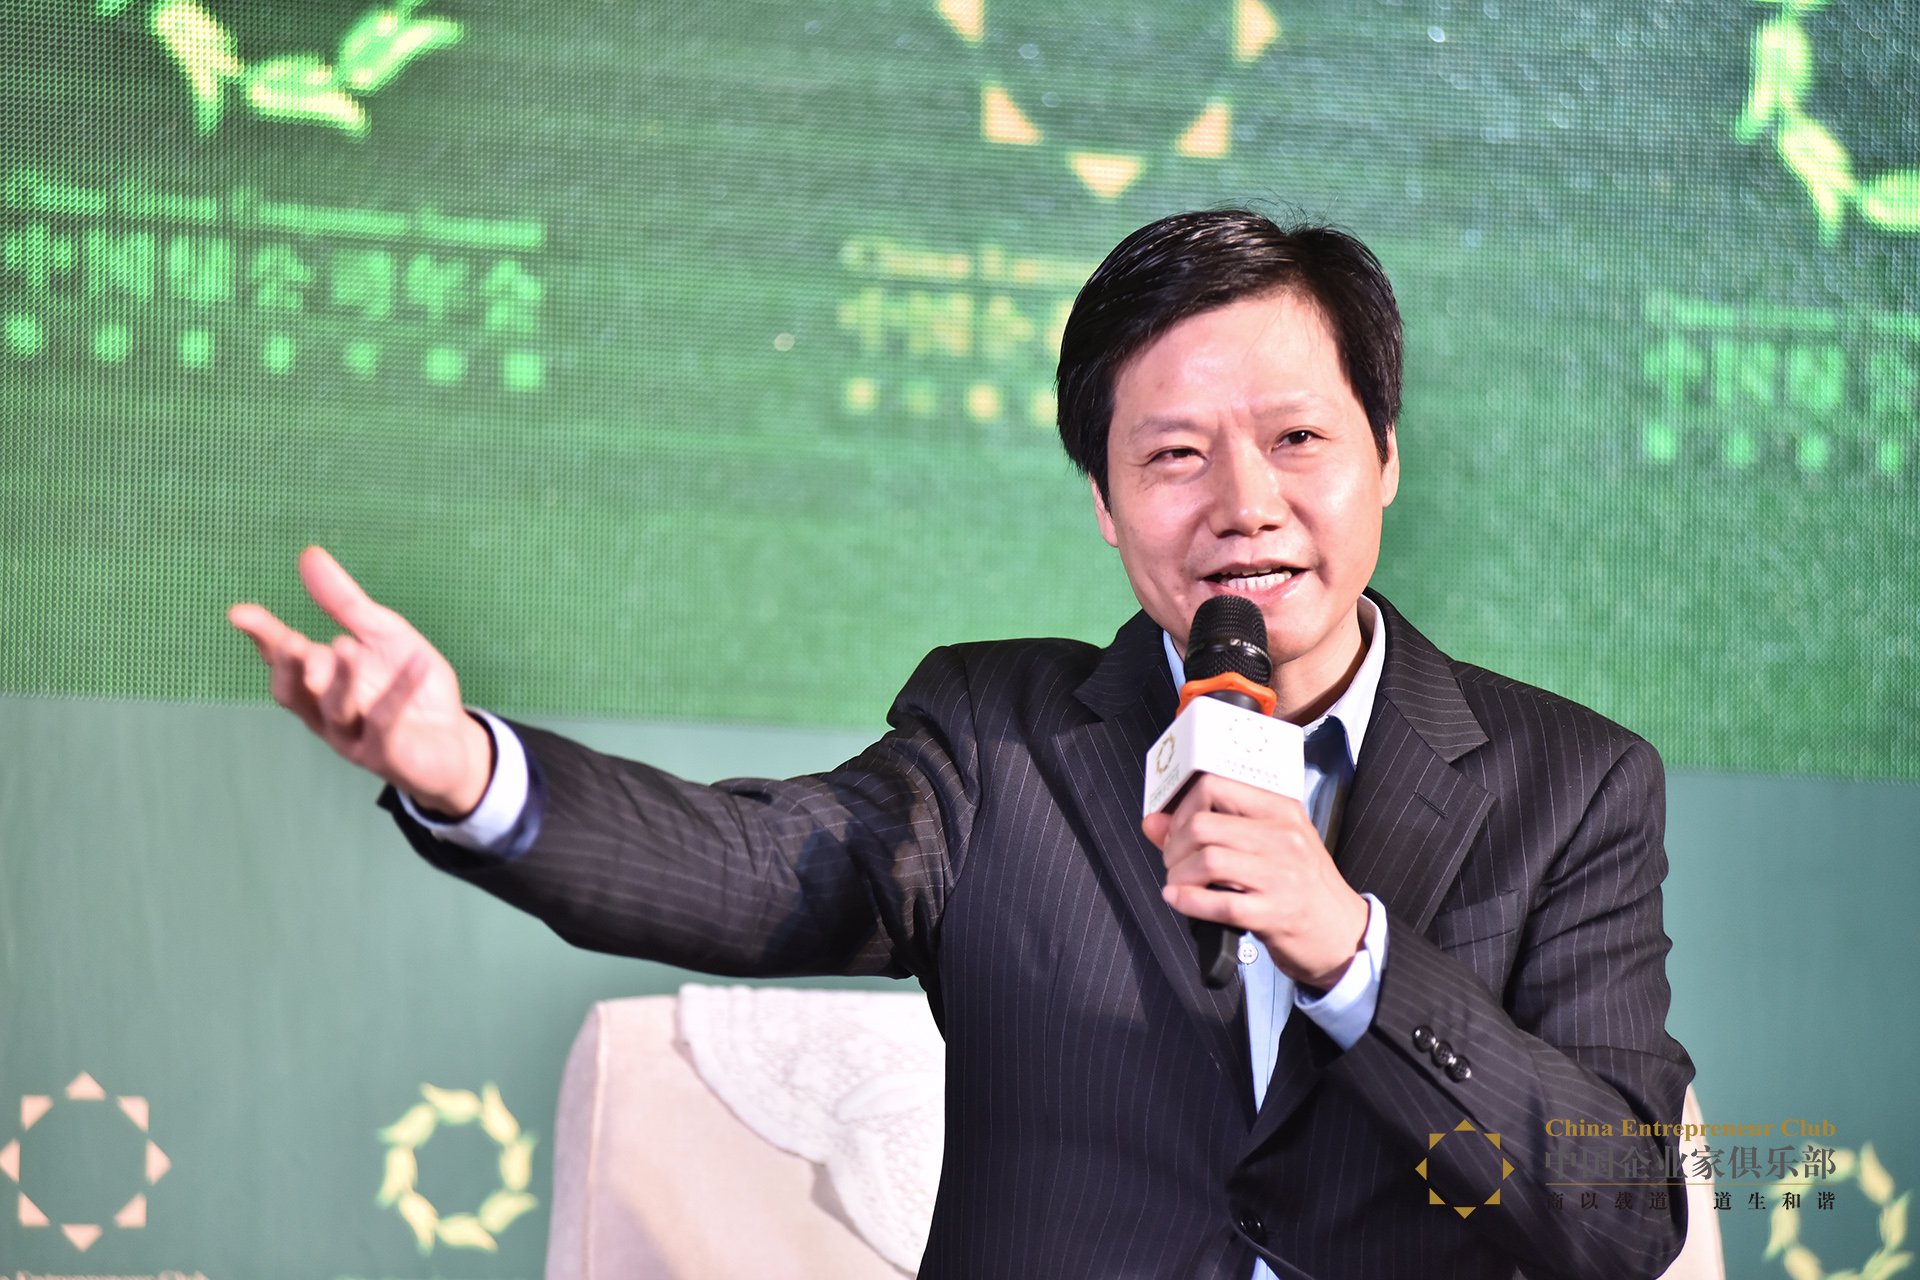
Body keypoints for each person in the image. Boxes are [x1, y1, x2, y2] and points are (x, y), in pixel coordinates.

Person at [232, 208, 1693, 1279]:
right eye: (1174, 455)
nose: (1243, 502)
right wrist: (465, 769)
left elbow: (1622, 1207)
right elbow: (759, 869)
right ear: (1106, 506)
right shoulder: (1003, 739)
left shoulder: (1571, 786)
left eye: (1297, 440)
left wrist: (1351, 951)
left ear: (1385, 457)